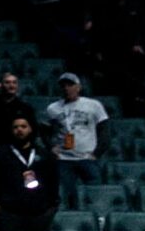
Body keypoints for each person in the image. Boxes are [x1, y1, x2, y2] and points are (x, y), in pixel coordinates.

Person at [0, 112, 58, 231]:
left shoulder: (44, 155)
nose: (19, 130)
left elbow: (53, 181)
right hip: (9, 211)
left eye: (23, 126)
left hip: (39, 212)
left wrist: (50, 206)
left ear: (31, 129)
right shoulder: (0, 154)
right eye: (15, 127)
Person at [42, 73, 108, 209]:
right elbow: (44, 131)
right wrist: (51, 147)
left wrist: (97, 153)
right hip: (64, 159)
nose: (67, 88)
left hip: (87, 157)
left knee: (94, 194)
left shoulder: (93, 105)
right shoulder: (53, 108)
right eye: (63, 86)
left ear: (78, 87)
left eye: (70, 85)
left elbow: (104, 131)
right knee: (67, 195)